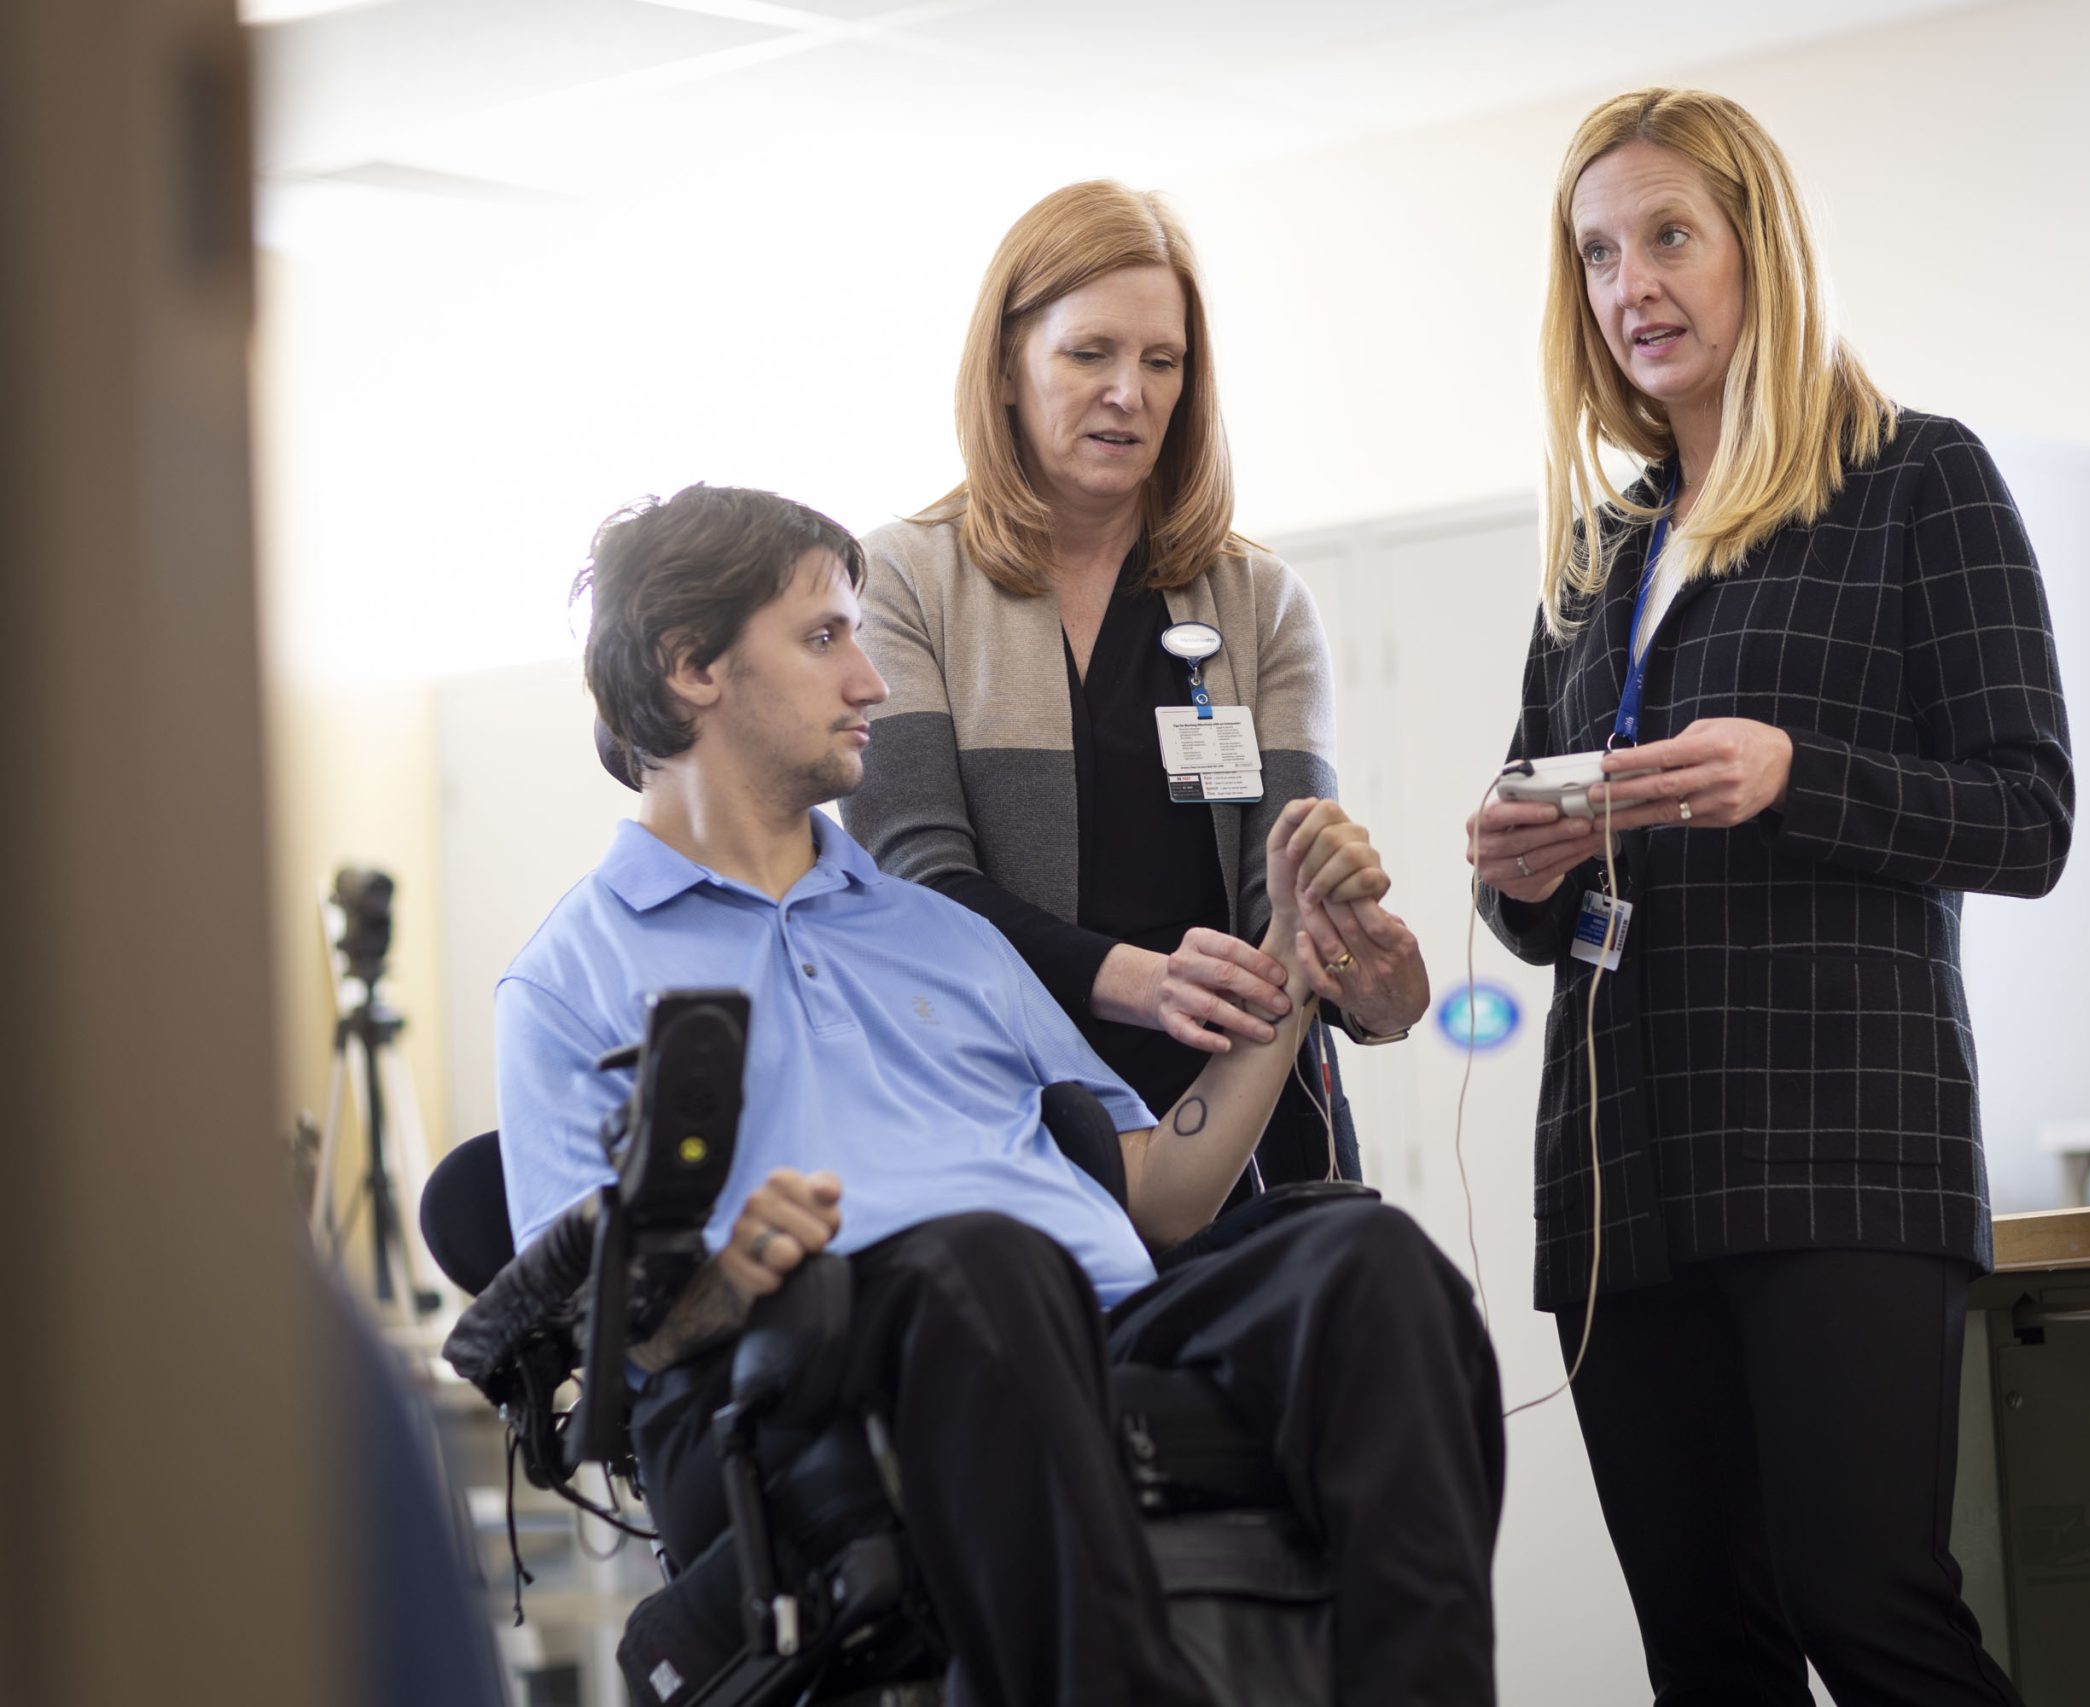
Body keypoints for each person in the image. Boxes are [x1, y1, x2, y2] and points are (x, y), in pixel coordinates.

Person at [498, 484, 1502, 1707]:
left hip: (1092, 1323)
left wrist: (1291, 961)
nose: (869, 682)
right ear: (691, 666)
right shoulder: (570, 980)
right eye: (825, 639)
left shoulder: (941, 935)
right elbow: (615, 1341)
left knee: (1371, 1262)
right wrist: (727, 1275)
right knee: (982, 1262)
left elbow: (1161, 1198)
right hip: (802, 1368)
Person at [1466, 88, 2070, 1706]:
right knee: (1706, 1649)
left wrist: (1792, 772)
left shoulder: (1915, 484)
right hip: (1619, 1173)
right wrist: (1522, 871)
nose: (1632, 284)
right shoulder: (1597, 550)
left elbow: (2030, 817)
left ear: (1761, 255)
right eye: (1598, 254)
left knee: (1867, 1606)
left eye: (1669, 236)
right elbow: (1546, 906)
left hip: (1839, 1153)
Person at [843, 181, 1428, 1200]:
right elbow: (917, 888)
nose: (1131, 392)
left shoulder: (1258, 600)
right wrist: (1145, 985)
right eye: (1090, 354)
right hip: (1013, 1131)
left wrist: (1363, 972)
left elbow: (1279, 903)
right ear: (1009, 368)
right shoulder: (902, 581)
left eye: (1162, 362)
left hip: (1252, 1122)